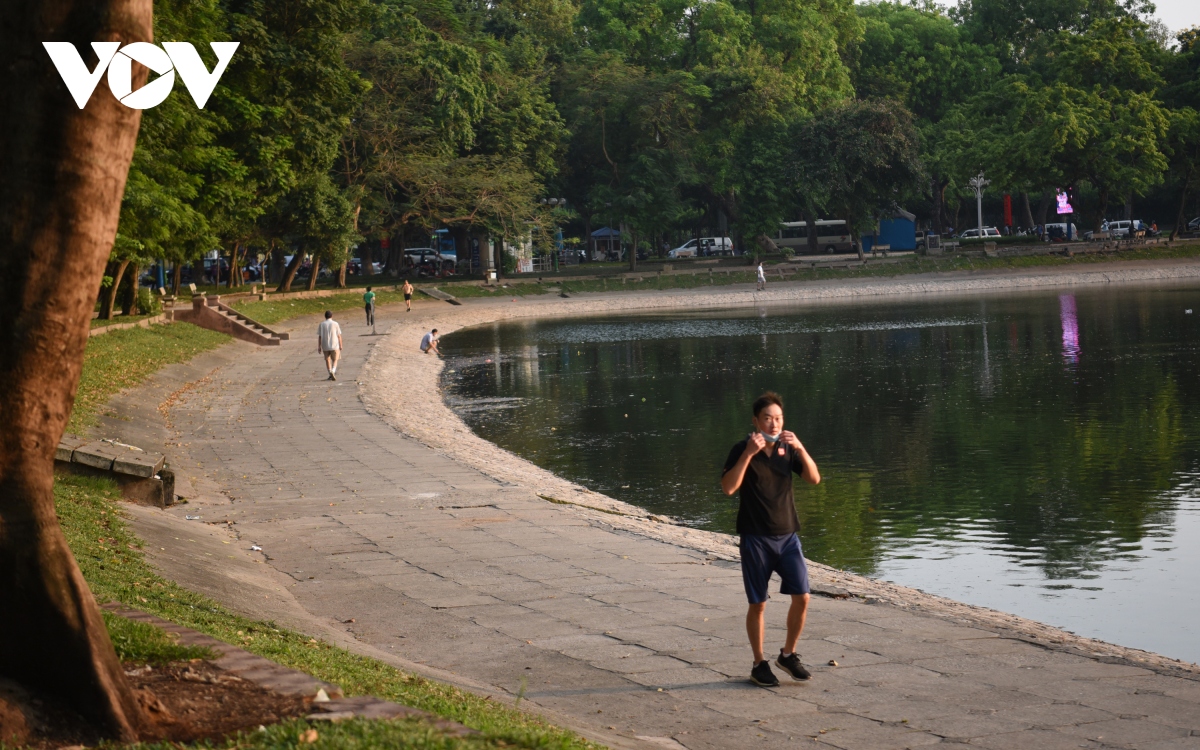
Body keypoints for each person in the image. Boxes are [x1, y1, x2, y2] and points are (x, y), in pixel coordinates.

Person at [721, 392, 821, 687]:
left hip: (788, 536)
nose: (774, 423)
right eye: (768, 418)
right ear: (756, 421)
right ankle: (758, 663)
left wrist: (801, 448)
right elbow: (728, 488)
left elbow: (814, 479)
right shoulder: (741, 449)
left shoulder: (788, 449)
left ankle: (788, 655)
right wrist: (749, 454)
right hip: (756, 538)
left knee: (802, 596)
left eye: (778, 418)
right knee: (759, 604)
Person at [317, 311, 343, 381]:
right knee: (335, 359)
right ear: (332, 316)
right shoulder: (335, 324)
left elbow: (320, 336)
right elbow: (339, 335)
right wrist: (341, 345)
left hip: (325, 345)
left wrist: (319, 346)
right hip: (334, 344)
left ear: (325, 316)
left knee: (327, 359)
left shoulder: (321, 324)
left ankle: (329, 373)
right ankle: (333, 371)